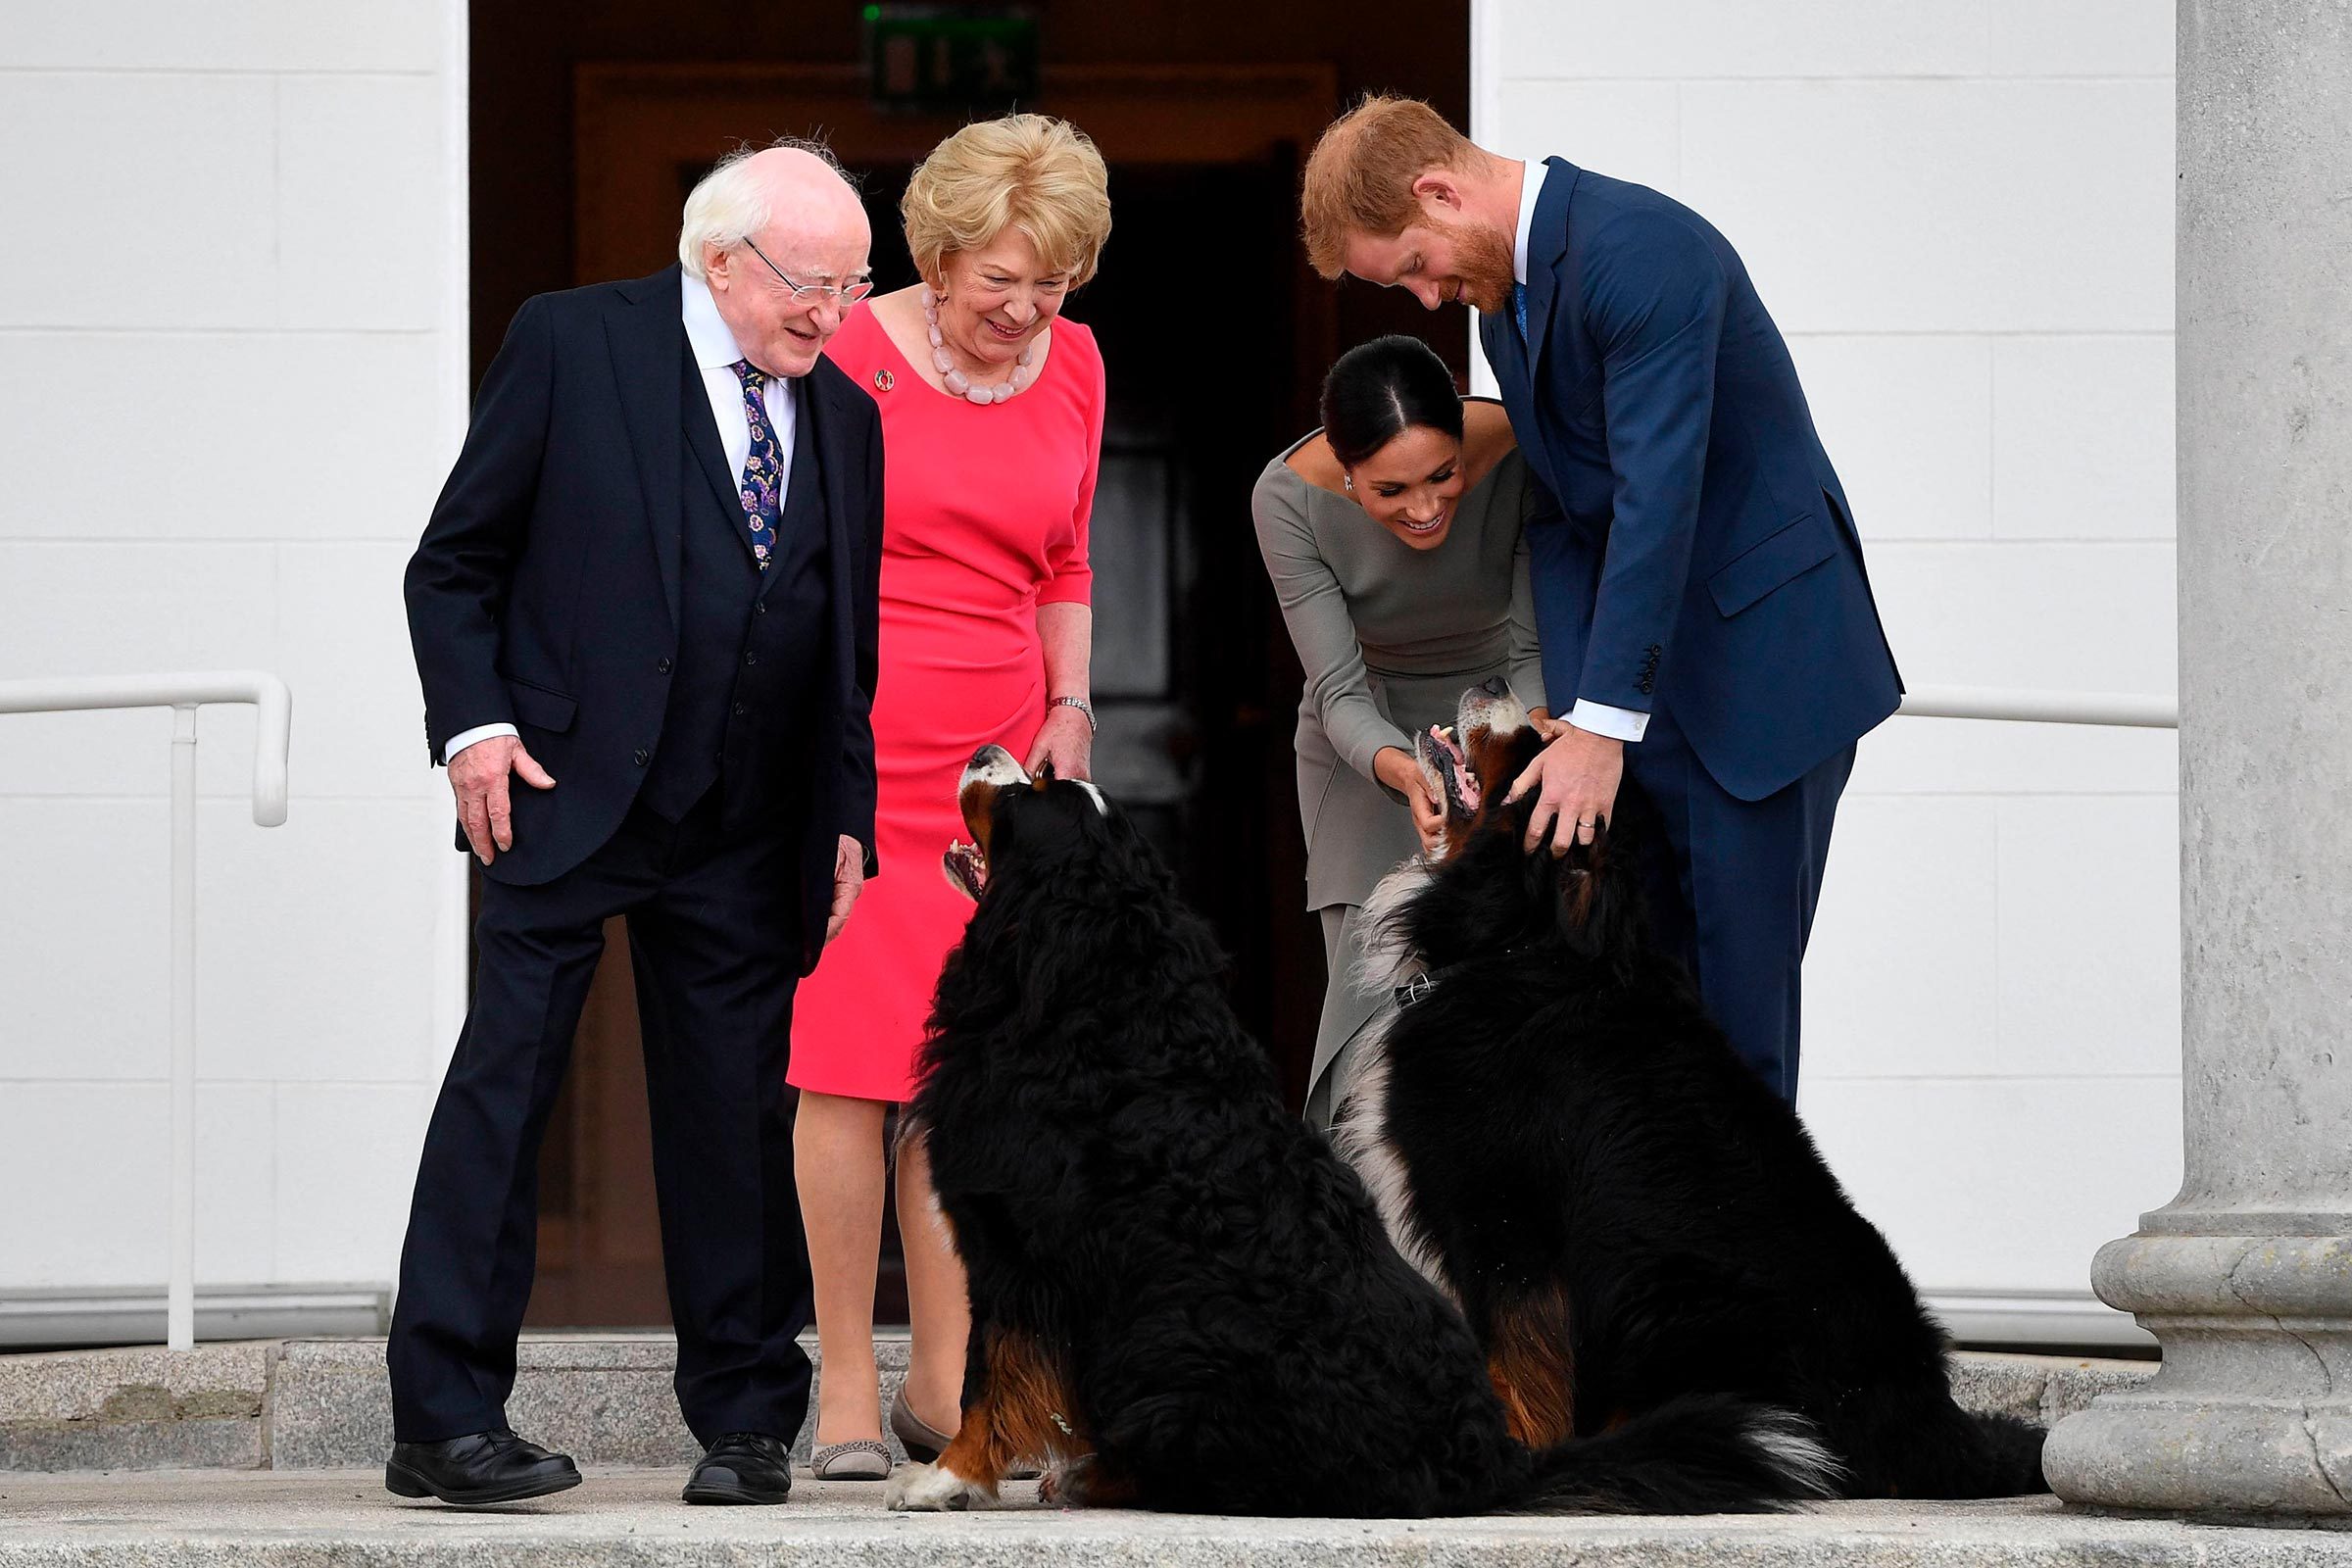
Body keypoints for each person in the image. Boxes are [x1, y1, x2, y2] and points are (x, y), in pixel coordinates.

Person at [389, 140, 883, 1509]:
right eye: (812, 285)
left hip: (749, 818)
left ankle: (744, 1419)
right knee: (509, 1086)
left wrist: (847, 815)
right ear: (722, 260)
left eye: (853, 287)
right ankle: (442, 1417)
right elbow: (455, 564)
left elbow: (849, 647)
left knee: (732, 1115)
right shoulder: (570, 341)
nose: (834, 316)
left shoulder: (845, 413)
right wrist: (473, 727)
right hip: (563, 786)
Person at [1299, 97, 1902, 1106]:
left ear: (1439, 191)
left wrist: (1603, 724)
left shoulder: (1644, 252)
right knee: (1634, 1029)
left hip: (1760, 684)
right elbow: (1570, 519)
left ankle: (1740, 1269)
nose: (1428, 298)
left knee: (1735, 1045)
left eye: (1411, 265)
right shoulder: (1506, 296)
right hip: (1635, 705)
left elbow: (1656, 499)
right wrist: (1571, 712)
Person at [785, 114, 1110, 1482]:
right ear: (936, 251)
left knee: (958, 1071)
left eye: (1048, 284)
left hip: (992, 767)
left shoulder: (1076, 365)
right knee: (845, 1066)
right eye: (999, 281)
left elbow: (1066, 562)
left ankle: (948, 1379)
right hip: (853, 747)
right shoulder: (853, 352)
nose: (1024, 310)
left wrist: (1072, 710)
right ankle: (847, 1387)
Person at [1251, 335, 1547, 1129]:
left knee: (1508, 984)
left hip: (1502, 714)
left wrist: (1516, 749)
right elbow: (1337, 689)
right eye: (1391, 490)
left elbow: (1527, 651)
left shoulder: (1520, 447)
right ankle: (1364, 1233)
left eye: (1443, 475)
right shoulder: (1284, 498)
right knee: (1372, 1007)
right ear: (1347, 474)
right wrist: (1404, 771)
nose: (1424, 508)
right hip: (1364, 744)